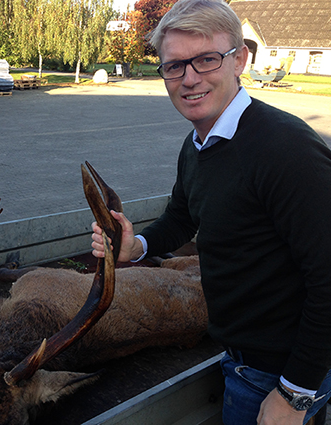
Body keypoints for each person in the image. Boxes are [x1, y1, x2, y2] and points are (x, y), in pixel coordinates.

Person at [90, 0, 331, 424]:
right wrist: (136, 245)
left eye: (206, 60)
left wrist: (294, 395)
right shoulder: (199, 142)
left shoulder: (285, 149)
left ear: (239, 60)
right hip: (241, 357)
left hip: (279, 371)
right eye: (174, 66)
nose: (189, 79)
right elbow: (183, 215)